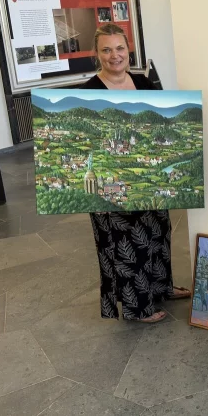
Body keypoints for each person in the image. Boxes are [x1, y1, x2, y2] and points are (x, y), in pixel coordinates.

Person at [82, 23, 191, 323]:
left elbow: (162, 125)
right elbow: (84, 143)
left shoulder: (143, 82)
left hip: (147, 177)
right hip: (110, 185)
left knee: (157, 233)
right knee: (126, 244)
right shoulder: (88, 91)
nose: (114, 55)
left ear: (128, 49)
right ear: (97, 54)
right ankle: (137, 307)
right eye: (106, 49)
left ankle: (162, 287)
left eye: (119, 48)